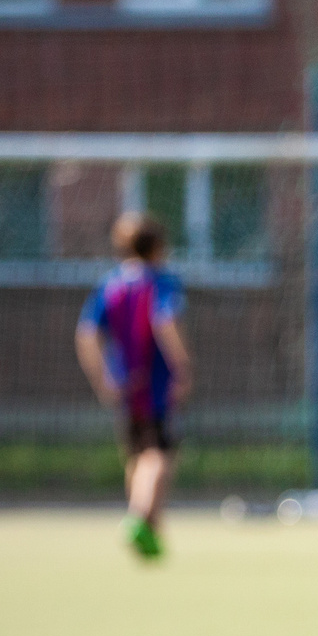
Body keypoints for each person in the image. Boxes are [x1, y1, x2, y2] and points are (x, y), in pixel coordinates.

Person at [75, 211, 192, 560]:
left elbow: (86, 335)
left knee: (137, 455)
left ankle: (149, 529)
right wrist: (182, 367)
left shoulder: (110, 285)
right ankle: (140, 517)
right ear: (158, 248)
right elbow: (164, 320)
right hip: (155, 383)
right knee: (159, 455)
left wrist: (102, 376)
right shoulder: (161, 282)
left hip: (126, 384)